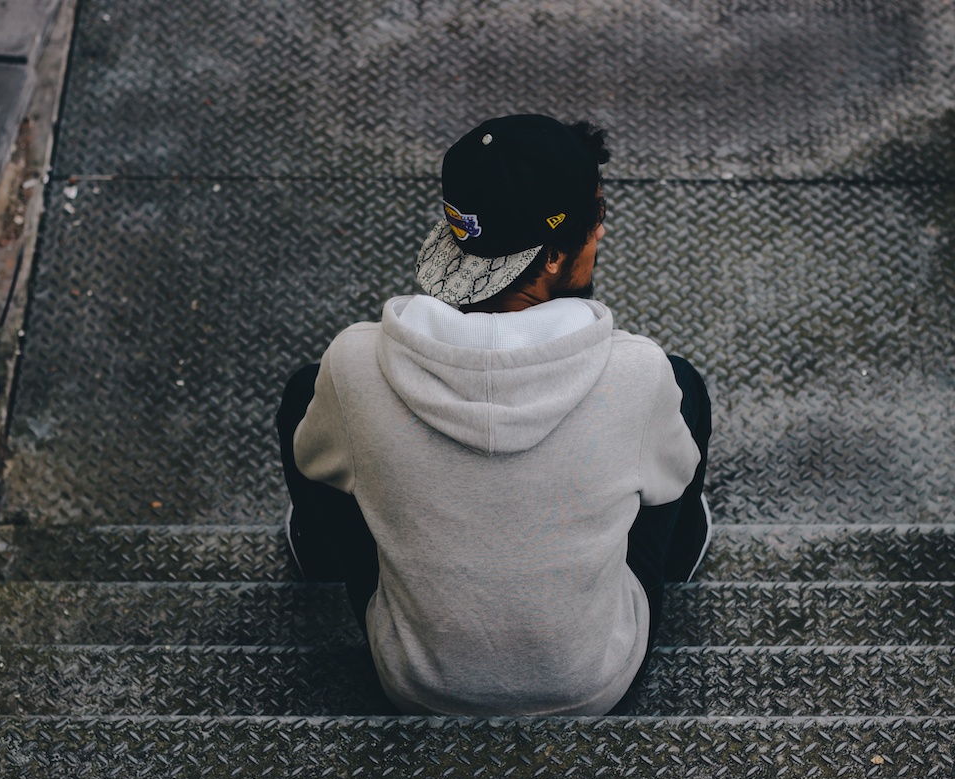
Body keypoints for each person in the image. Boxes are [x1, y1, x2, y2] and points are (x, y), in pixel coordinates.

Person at [277, 114, 711, 716]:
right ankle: (685, 552)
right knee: (687, 390)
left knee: (308, 397)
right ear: (557, 254)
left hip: (415, 680)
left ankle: (316, 552)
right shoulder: (638, 374)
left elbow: (312, 459)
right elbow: (671, 480)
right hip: (590, 682)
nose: (602, 233)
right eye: (598, 217)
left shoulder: (353, 363)